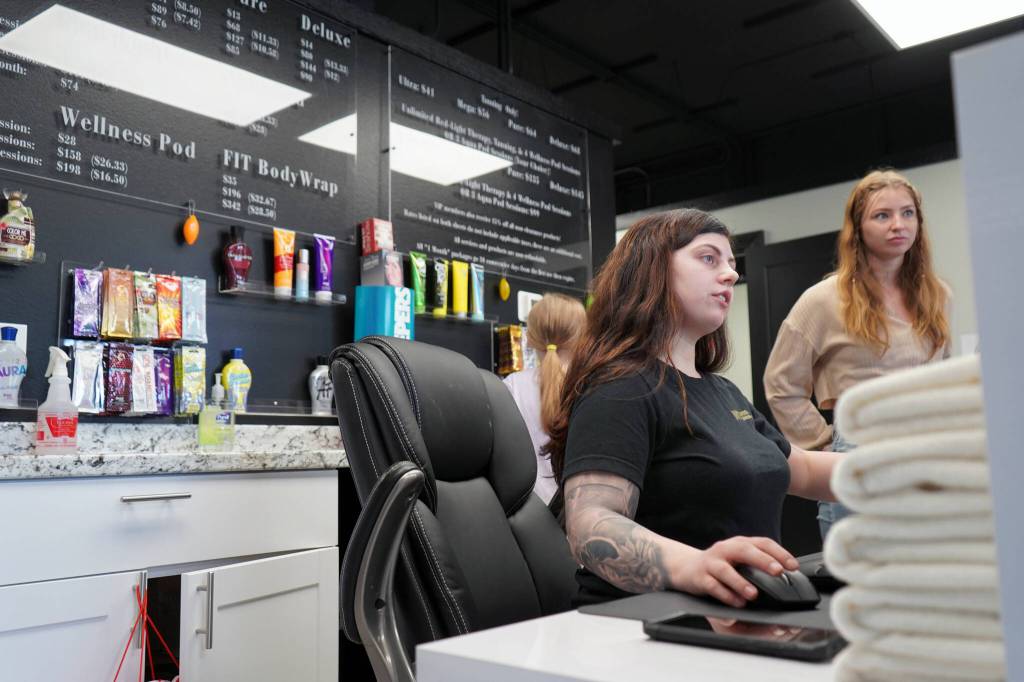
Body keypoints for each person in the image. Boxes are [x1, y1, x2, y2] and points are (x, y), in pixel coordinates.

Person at [545, 208, 840, 607]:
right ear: (652, 270)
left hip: (734, 610)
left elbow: (800, 468)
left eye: (732, 264)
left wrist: (914, 469)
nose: (731, 274)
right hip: (648, 624)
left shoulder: (722, 392)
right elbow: (590, 525)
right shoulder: (619, 389)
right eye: (709, 258)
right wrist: (696, 567)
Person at [764, 169, 951, 539]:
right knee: (862, 578)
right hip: (860, 446)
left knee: (925, 571)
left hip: (926, 447)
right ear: (858, 227)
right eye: (882, 215)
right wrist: (825, 446)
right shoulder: (824, 299)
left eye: (907, 213)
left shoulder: (938, 295)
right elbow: (780, 382)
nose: (898, 224)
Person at [504, 293, 586, 505]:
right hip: (581, 512)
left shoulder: (511, 386)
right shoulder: (595, 385)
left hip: (527, 516)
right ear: (583, 337)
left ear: (529, 338)